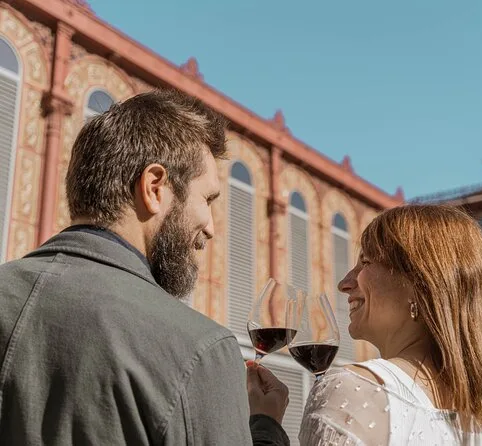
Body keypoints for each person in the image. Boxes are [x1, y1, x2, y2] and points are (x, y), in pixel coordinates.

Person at [0, 89, 290, 446]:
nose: (211, 227)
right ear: (154, 188)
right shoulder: (198, 349)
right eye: (207, 199)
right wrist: (266, 427)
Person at [297, 204, 482, 445]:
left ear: (419, 284)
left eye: (365, 262)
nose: (344, 283)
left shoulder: (352, 391)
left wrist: (272, 427)